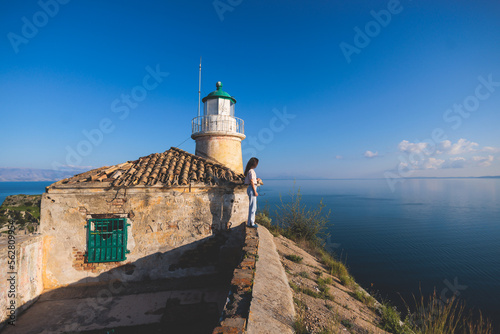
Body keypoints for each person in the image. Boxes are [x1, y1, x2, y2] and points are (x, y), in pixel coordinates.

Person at [244, 157, 262, 228]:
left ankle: (249, 223)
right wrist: (255, 191)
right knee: (253, 207)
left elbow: (251, 180)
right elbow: (251, 181)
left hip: (250, 188)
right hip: (252, 188)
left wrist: (256, 179)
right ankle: (252, 223)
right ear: (254, 164)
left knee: (252, 206)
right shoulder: (251, 171)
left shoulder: (249, 171)